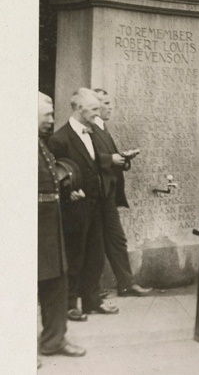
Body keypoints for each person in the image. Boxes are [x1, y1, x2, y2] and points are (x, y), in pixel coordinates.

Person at [47, 88, 119, 320]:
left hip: (96, 204)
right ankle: (69, 304)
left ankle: (91, 301)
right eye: (94, 109)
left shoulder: (93, 132)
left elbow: (98, 164)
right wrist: (68, 192)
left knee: (95, 255)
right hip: (74, 209)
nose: (98, 113)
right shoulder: (59, 138)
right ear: (79, 109)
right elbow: (53, 174)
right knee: (74, 256)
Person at [37, 93, 86, 359]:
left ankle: (54, 340)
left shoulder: (40, 143)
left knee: (56, 283)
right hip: (30, 229)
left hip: (50, 226)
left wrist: (66, 191)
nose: (52, 120)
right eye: (47, 115)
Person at [92, 89, 151, 297]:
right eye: (105, 103)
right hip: (97, 195)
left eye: (110, 103)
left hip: (107, 194)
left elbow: (106, 157)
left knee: (115, 240)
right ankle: (94, 290)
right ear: (94, 105)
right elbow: (86, 159)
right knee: (97, 243)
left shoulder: (102, 128)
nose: (110, 107)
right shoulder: (89, 129)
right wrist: (111, 159)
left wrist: (123, 159)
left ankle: (126, 284)